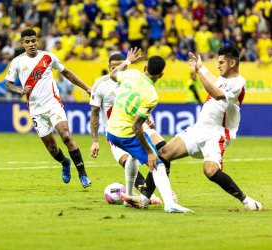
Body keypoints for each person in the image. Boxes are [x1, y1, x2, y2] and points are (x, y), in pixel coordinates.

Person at [158, 46, 262, 211]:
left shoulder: (238, 82)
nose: (218, 65)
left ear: (232, 63)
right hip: (198, 129)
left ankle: (246, 200)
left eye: (221, 62)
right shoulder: (223, 79)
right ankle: (152, 197)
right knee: (164, 153)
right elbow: (214, 81)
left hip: (216, 134)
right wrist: (201, 67)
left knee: (210, 171)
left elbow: (217, 94)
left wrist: (198, 72)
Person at [106, 48, 192, 213]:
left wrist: (128, 61)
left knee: (132, 155)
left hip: (111, 132)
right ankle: (170, 204)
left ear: (145, 67)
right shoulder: (151, 95)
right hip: (126, 133)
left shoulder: (131, 74)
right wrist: (150, 152)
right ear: (161, 75)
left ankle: (129, 196)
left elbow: (113, 75)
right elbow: (136, 127)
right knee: (158, 163)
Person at [5, 28, 92, 188]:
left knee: (66, 136)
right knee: (52, 148)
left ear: (37, 40)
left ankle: (83, 175)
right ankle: (65, 163)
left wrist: (86, 88)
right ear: (22, 44)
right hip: (36, 110)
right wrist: (19, 90)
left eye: (33, 41)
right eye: (27, 42)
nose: (31, 44)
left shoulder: (48, 57)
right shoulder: (17, 62)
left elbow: (67, 73)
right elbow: (8, 85)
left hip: (53, 104)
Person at [90, 53, 177, 205]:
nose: (117, 68)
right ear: (109, 67)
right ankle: (145, 196)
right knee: (130, 160)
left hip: (138, 125)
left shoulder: (131, 77)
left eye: (120, 64)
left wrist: (148, 118)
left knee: (164, 151)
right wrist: (95, 141)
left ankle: (154, 192)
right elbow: (95, 113)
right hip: (118, 129)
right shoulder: (102, 84)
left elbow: (139, 104)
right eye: (114, 66)